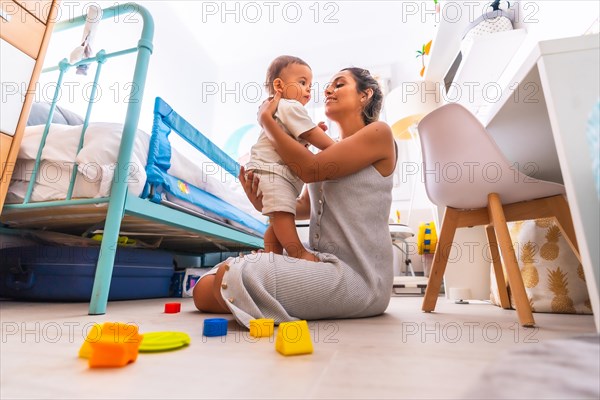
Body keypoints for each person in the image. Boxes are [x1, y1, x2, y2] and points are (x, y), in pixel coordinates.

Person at [194, 67, 396, 328]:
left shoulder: (379, 134)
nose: (327, 90)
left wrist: (268, 122)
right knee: (203, 288)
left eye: (339, 84)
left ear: (365, 95)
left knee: (226, 277)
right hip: (321, 264)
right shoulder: (330, 148)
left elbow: (311, 170)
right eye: (329, 85)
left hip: (360, 278)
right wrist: (263, 200)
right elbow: (302, 206)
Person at [246, 55, 334, 262]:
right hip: (271, 171)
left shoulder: (282, 110)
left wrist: (308, 135)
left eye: (310, 86)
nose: (307, 90)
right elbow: (311, 135)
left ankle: (271, 256)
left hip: (270, 171)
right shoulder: (289, 106)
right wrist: (331, 144)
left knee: (277, 220)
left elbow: (296, 142)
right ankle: (297, 252)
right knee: (283, 214)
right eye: (302, 83)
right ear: (279, 85)